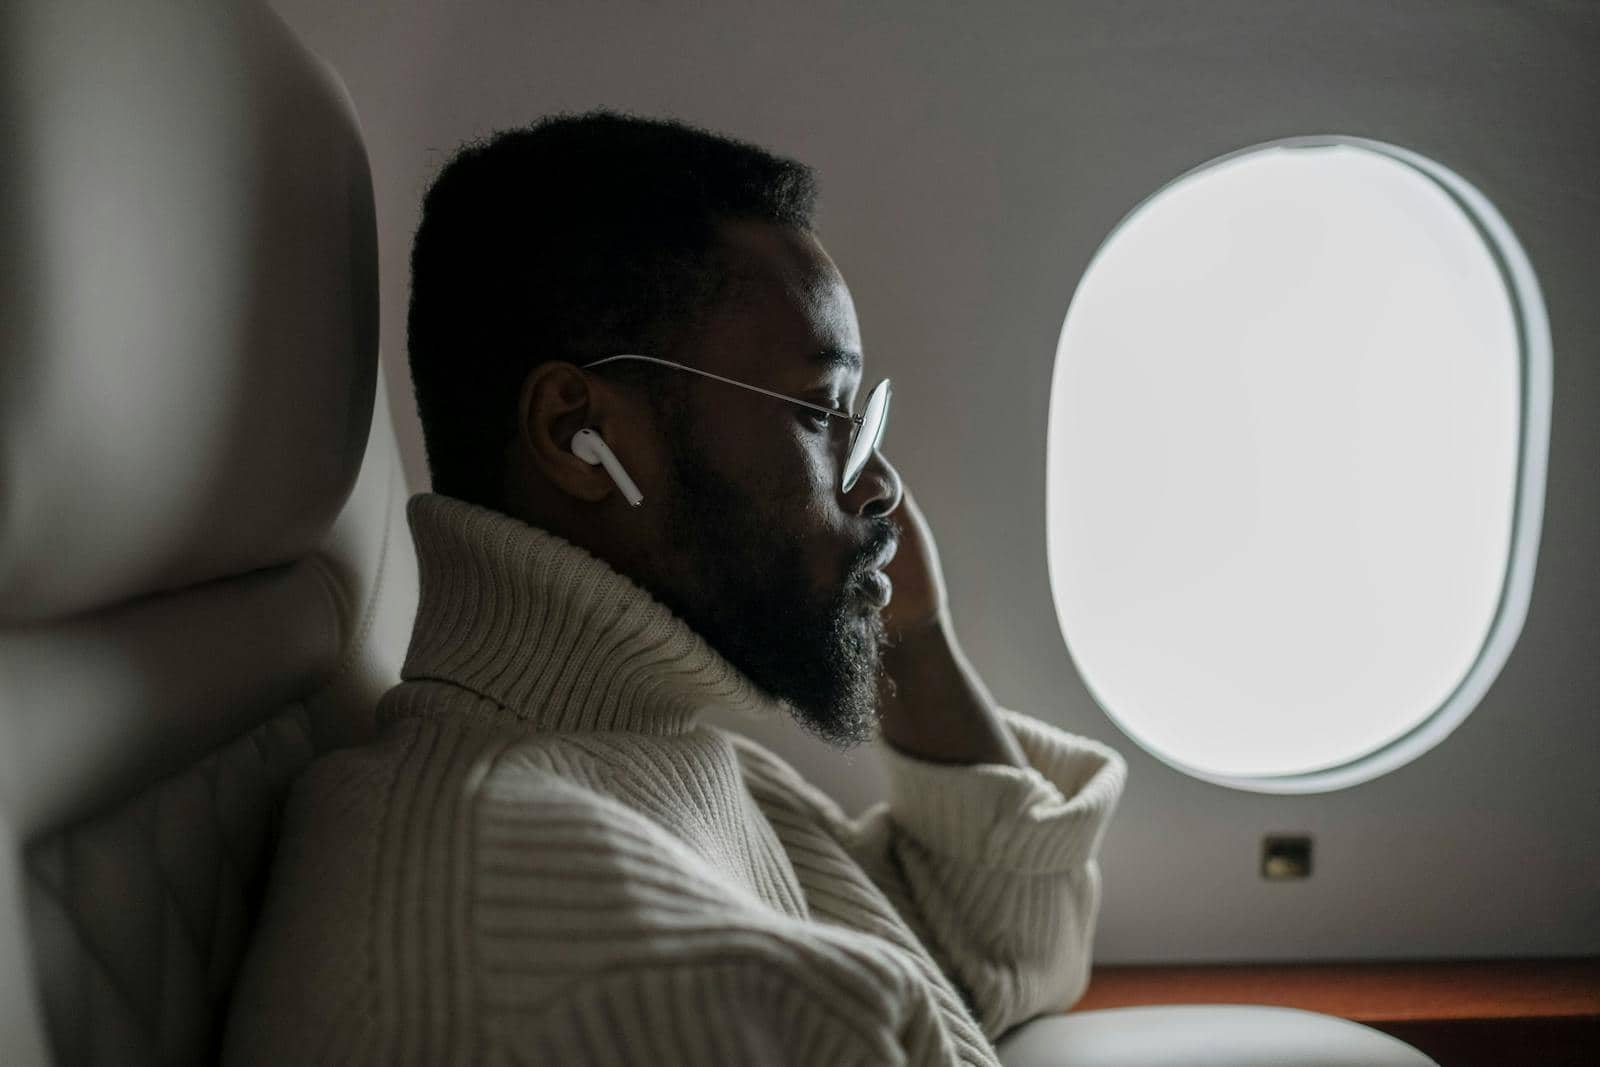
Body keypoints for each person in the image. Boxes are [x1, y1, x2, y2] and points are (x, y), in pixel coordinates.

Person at [223, 109, 1127, 1066]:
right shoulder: (573, 940)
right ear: (578, 433)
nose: (881, 483)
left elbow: (1001, 951)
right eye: (824, 411)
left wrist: (917, 632)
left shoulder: (668, 750)